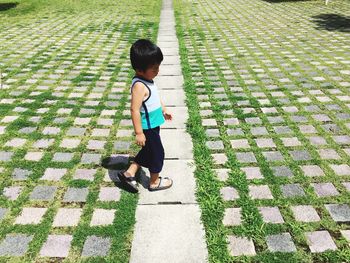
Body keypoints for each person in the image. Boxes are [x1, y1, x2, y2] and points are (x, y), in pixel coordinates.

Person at [117, 39, 173, 193]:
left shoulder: (148, 80)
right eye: (154, 69)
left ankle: (129, 173)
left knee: (148, 151)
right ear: (140, 70)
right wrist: (139, 133)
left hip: (154, 124)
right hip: (147, 127)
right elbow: (134, 110)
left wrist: (163, 109)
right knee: (157, 154)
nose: (158, 71)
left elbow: (154, 96)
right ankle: (154, 182)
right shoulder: (139, 86)